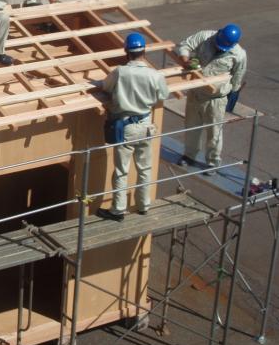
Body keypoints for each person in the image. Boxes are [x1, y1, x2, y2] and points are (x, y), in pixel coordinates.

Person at [96, 33, 169, 222]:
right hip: (145, 125)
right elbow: (164, 94)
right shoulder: (155, 75)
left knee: (122, 170)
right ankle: (144, 205)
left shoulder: (120, 72)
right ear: (144, 51)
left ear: (126, 51)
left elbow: (105, 86)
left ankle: (118, 209)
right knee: (145, 168)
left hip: (126, 127)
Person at [176, 24, 247, 173]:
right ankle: (189, 155)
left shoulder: (239, 55)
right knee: (192, 127)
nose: (219, 48)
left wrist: (231, 96)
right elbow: (185, 45)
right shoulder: (205, 36)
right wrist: (185, 59)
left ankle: (212, 162)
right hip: (196, 93)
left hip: (216, 98)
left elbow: (236, 79)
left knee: (214, 132)